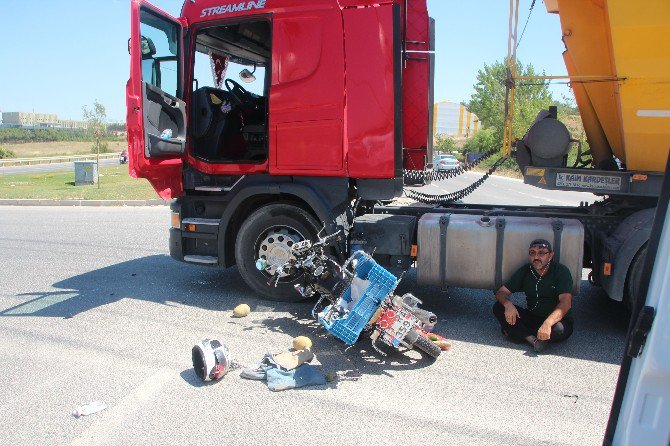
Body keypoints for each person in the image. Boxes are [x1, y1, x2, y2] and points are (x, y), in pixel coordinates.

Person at [492, 239, 574, 352]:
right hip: (533, 316)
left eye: (541, 253)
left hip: (555, 320)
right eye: (532, 253)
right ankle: (533, 340)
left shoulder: (561, 271)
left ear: (551, 255)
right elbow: (501, 292)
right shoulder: (525, 271)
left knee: (559, 329)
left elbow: (566, 303)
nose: (536, 257)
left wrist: (548, 323)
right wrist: (508, 304)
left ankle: (517, 332)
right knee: (498, 307)